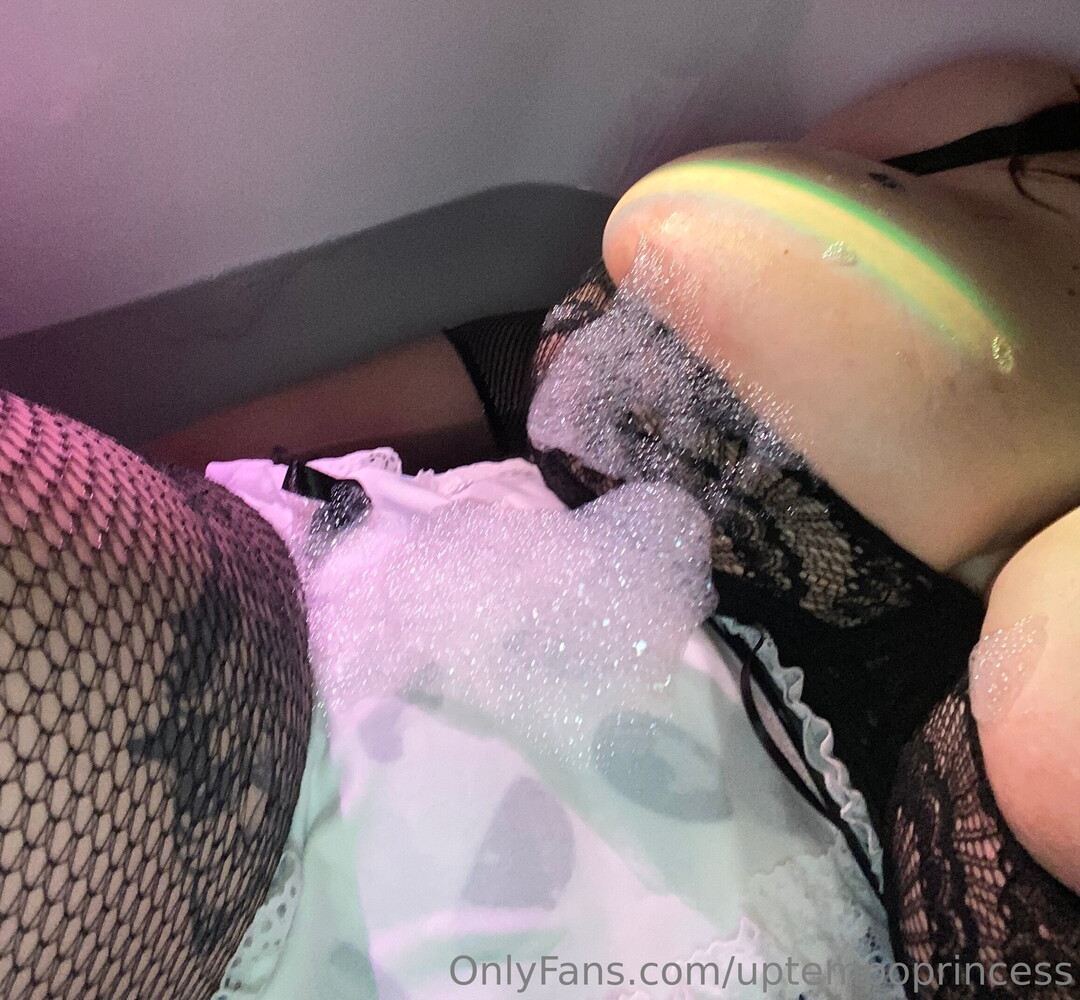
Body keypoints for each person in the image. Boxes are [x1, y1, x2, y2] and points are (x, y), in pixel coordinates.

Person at [1, 52, 1077, 998]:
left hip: (655, 892)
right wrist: (167, 479)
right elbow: (533, 361)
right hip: (352, 602)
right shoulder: (994, 112)